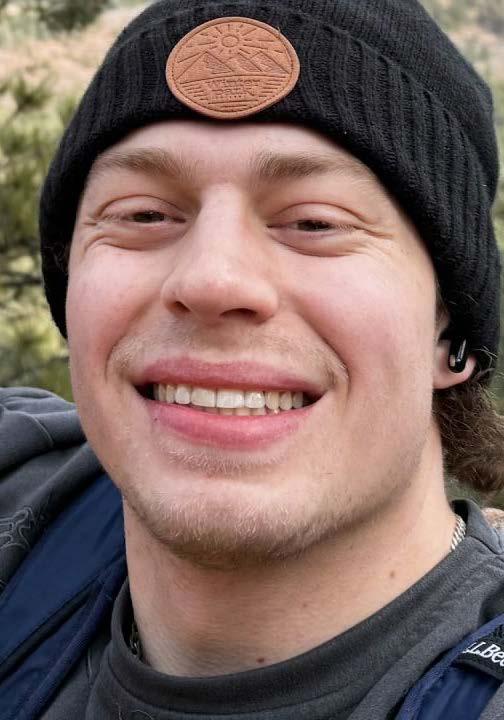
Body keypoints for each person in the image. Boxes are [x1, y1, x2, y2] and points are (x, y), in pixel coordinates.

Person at [1, 0, 504, 717]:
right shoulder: (21, 497)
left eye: (315, 222)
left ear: (450, 335)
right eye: (144, 214)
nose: (212, 280)